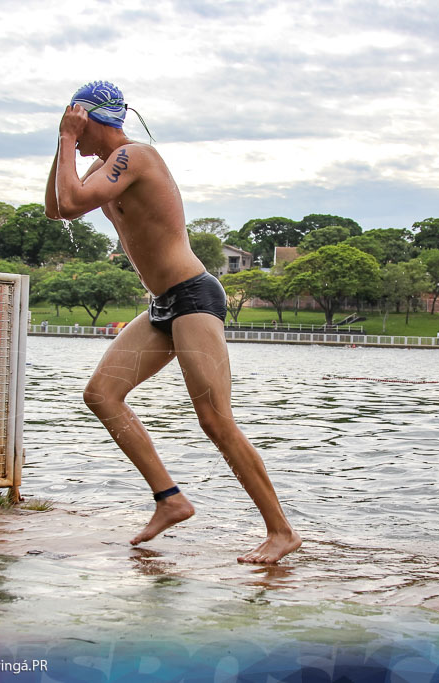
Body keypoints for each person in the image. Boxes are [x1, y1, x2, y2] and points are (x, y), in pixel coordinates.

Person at [44, 81, 301, 564]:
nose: (73, 135)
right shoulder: (101, 168)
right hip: (163, 302)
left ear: (94, 118)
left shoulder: (136, 157)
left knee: (215, 421)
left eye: (77, 124)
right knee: (100, 395)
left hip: (194, 297)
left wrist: (64, 141)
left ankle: (281, 530)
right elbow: (58, 208)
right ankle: (171, 499)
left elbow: (73, 202)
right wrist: (61, 144)